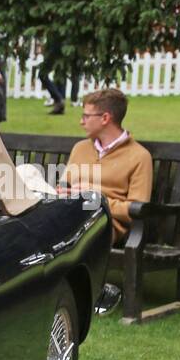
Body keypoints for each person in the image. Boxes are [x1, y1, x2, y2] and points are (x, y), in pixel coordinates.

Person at [61, 88, 153, 244]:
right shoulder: (80, 148)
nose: (81, 121)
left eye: (86, 116)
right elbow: (64, 187)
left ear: (105, 118)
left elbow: (136, 211)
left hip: (105, 225)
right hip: (70, 217)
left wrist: (97, 199)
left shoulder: (140, 157)